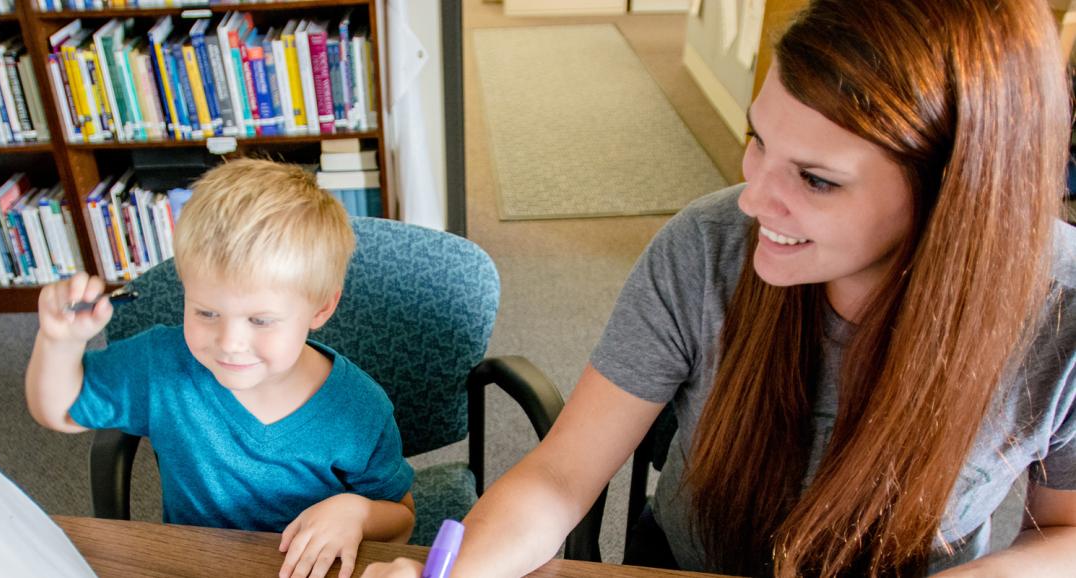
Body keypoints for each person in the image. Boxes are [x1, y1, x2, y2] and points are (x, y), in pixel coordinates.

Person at [364, 0, 1076, 576]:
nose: (752, 198)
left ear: (957, 193)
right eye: (758, 139)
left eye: (817, 179)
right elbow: (561, 475)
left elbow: (1066, 530)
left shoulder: (1062, 308)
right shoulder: (704, 247)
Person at [25, 159, 416, 578]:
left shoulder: (359, 409)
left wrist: (356, 513)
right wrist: (58, 342)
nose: (229, 342)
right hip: (198, 563)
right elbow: (59, 411)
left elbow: (403, 517)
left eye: (260, 320)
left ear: (321, 307)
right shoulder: (160, 363)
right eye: (206, 312)